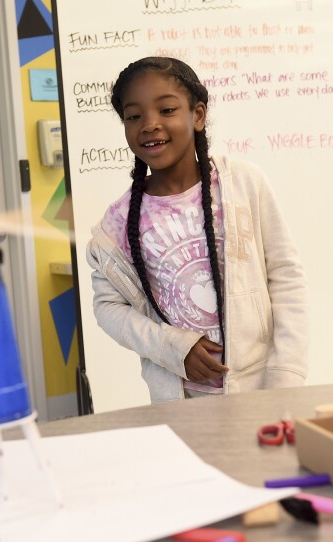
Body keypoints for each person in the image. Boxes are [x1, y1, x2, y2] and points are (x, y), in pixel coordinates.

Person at [86, 56, 308, 402]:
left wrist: (285, 377)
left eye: (167, 110)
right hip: (179, 403)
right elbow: (108, 308)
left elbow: (286, 276)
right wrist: (175, 348)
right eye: (134, 116)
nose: (150, 124)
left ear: (198, 115)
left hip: (261, 390)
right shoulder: (115, 225)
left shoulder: (244, 185)